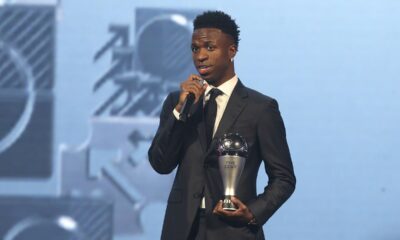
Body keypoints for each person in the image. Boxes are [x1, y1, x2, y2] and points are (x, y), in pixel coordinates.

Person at [148, 10, 296, 240]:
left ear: (231, 51)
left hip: (234, 231)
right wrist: (179, 112)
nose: (200, 56)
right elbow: (161, 163)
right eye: (195, 48)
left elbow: (284, 178)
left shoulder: (261, 108)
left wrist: (253, 212)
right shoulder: (179, 102)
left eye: (209, 47)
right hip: (182, 230)